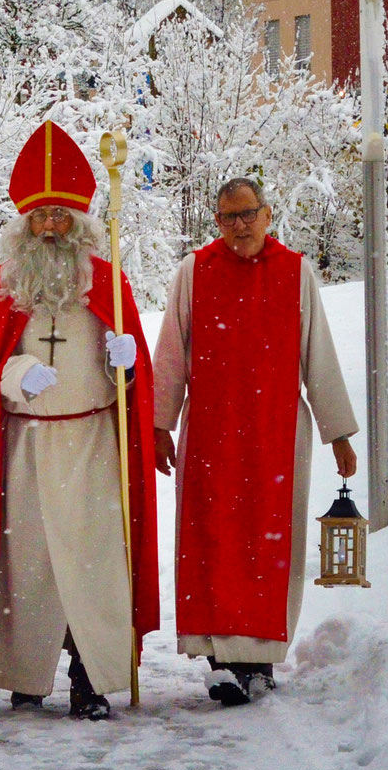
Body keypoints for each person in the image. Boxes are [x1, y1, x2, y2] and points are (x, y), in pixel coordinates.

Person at [0, 121, 157, 720]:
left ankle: (91, 675)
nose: (49, 227)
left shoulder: (108, 282)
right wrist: (16, 377)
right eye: (39, 216)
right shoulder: (1, 287)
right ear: (23, 224)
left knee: (92, 563)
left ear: (79, 223)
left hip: (91, 441)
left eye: (59, 216)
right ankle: (26, 672)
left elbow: (130, 379)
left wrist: (126, 363)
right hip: (27, 444)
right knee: (30, 564)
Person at [152, 176, 359, 706]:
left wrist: (338, 434)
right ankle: (221, 659)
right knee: (215, 543)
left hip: (275, 435)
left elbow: (320, 355)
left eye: (248, 215)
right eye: (228, 218)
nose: (239, 226)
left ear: (268, 215)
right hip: (212, 437)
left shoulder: (295, 272)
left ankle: (259, 662)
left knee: (267, 548)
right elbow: (172, 351)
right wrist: (159, 424)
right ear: (217, 222)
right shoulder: (195, 272)